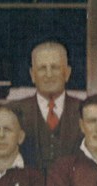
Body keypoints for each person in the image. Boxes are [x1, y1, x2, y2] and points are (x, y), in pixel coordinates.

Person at [8, 40, 82, 172]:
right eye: (42, 68)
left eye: (55, 67)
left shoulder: (85, 112)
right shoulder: (12, 113)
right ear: (32, 74)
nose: (49, 74)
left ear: (68, 73)